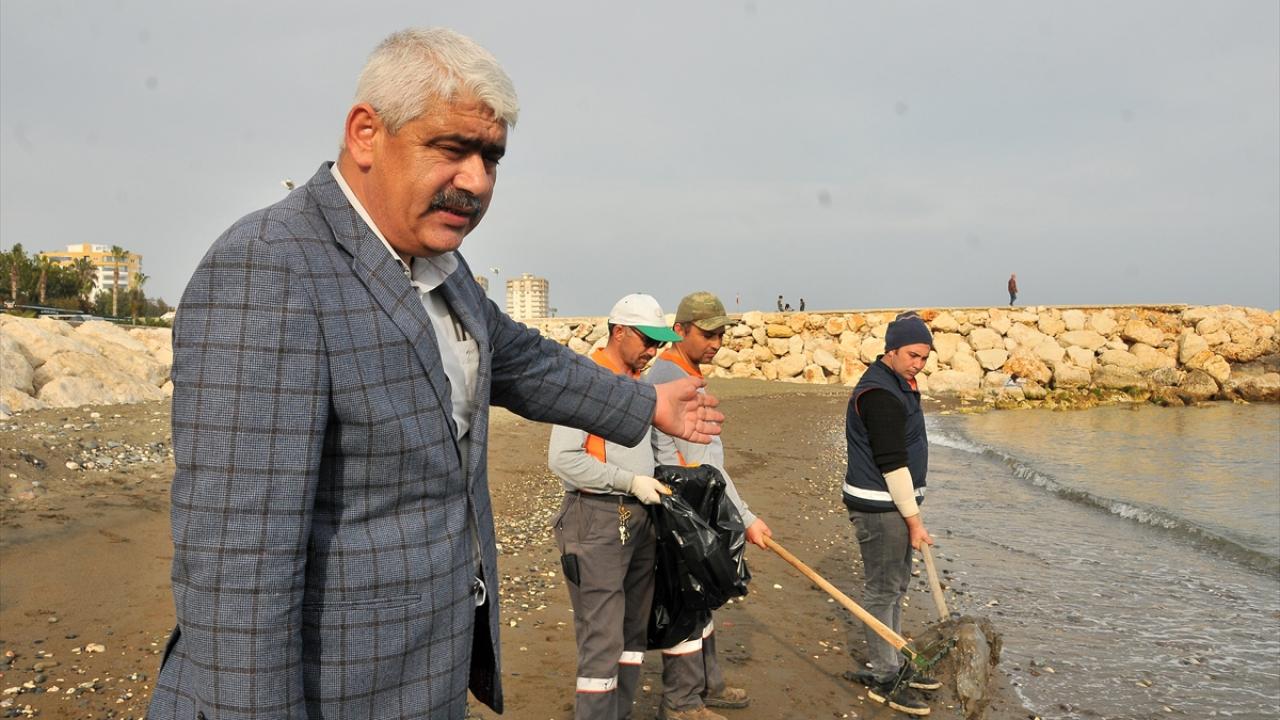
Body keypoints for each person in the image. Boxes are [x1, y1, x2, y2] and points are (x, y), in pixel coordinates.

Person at [149, 28, 723, 720]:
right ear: (366, 134)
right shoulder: (270, 268)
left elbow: (522, 359)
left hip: (426, 674)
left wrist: (645, 403)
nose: (477, 181)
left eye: (492, 158)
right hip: (329, 690)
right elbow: (237, 573)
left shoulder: (441, 269)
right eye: (452, 149)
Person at [547, 293, 682, 720]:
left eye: (659, 344)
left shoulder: (637, 385)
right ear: (619, 331)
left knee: (631, 631)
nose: (653, 351)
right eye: (646, 340)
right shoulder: (585, 381)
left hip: (639, 517)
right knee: (602, 636)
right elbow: (563, 460)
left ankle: (618, 713)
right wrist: (629, 481)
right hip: (597, 519)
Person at [648, 291, 772, 720]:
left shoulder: (685, 371)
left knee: (703, 597)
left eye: (720, 333)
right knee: (687, 600)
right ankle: (681, 702)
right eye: (707, 333)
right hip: (682, 510)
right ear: (679, 330)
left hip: (699, 504)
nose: (716, 342)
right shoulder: (668, 378)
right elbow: (700, 468)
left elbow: (710, 466)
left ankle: (707, 683)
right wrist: (748, 519)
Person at [842, 311, 940, 716]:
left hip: (893, 504)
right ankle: (885, 676)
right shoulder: (879, 394)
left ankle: (895, 659)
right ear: (892, 350)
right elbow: (892, 464)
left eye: (925, 357)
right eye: (913, 355)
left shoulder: (899, 383)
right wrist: (914, 520)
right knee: (883, 590)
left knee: (896, 586)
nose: (919, 363)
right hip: (880, 507)